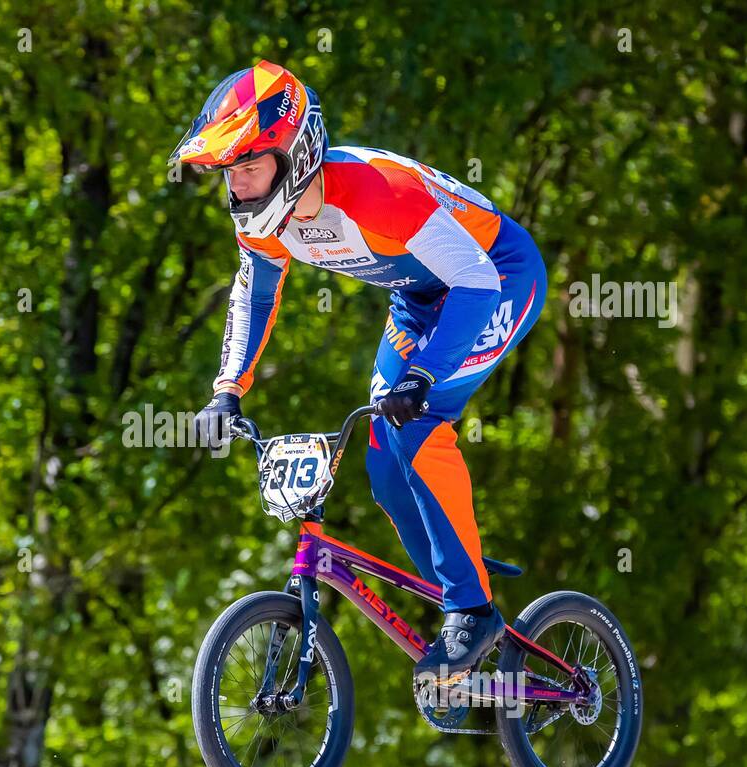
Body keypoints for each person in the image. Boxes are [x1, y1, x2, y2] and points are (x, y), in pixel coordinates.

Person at [170, 60, 548, 683]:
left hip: (495, 280)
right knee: (380, 456)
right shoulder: (269, 220)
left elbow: (476, 283)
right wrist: (226, 390)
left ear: (294, 155)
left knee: (418, 427)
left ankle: (470, 610)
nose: (237, 191)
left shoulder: (378, 193)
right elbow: (256, 297)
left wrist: (423, 377)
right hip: (421, 302)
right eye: (229, 175)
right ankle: (464, 596)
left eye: (249, 169)